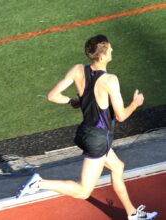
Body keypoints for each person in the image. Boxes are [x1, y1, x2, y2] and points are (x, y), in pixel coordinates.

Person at [16, 35, 158, 220]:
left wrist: (73, 101)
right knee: (83, 192)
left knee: (117, 167)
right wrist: (135, 103)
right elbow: (121, 115)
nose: (112, 51)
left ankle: (132, 214)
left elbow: (52, 96)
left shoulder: (77, 70)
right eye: (110, 49)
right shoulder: (110, 80)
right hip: (99, 140)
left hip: (85, 133)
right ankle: (39, 184)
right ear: (102, 55)